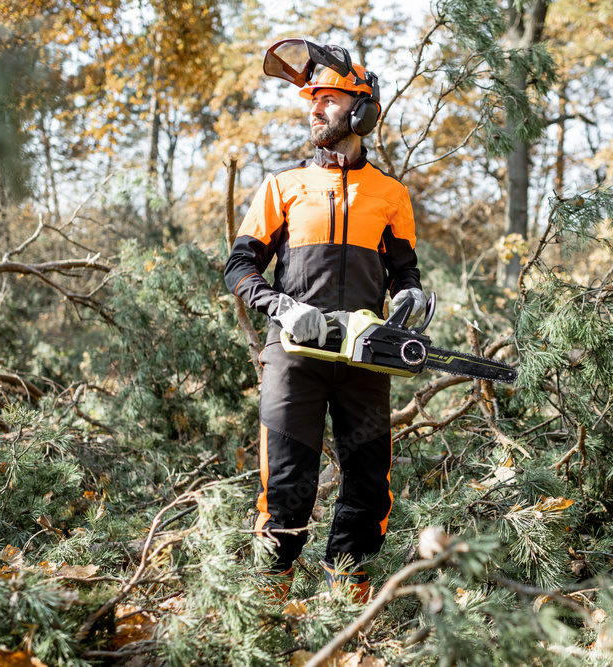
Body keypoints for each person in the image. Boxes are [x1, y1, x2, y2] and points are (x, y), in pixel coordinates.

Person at [224, 53, 426, 603]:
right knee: (286, 481)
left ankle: (348, 587)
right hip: (294, 357)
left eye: (329, 100)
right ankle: (271, 592)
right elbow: (238, 267)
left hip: (364, 355)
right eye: (313, 101)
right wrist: (281, 306)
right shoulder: (283, 186)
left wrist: (409, 293)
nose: (317, 110)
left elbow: (404, 269)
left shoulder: (391, 195)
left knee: (367, 480)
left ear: (361, 112)